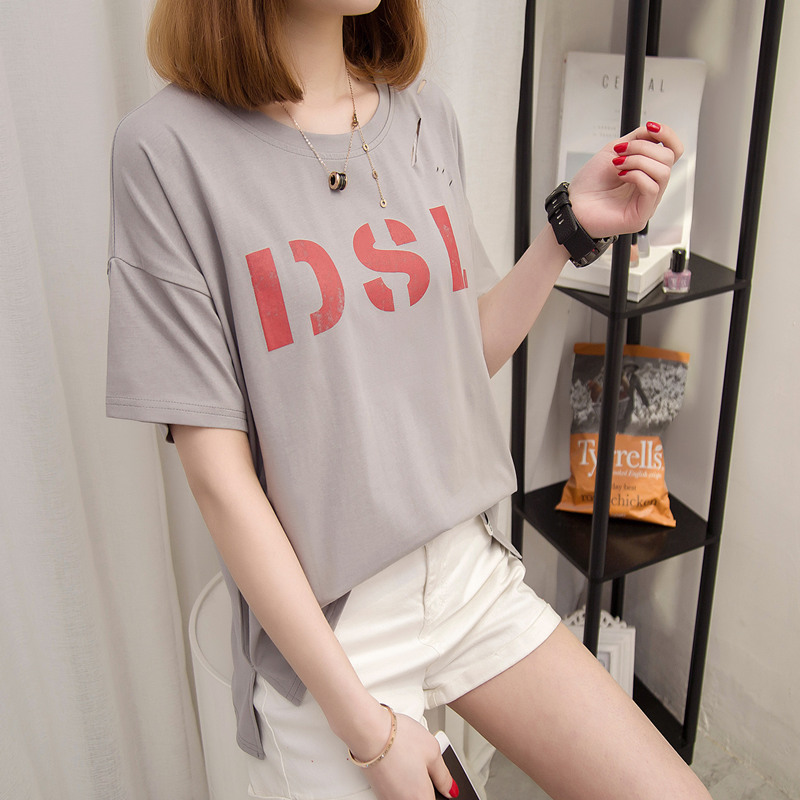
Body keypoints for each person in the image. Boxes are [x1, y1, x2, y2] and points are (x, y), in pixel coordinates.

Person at [106, 1, 712, 798]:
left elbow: (455, 362)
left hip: (466, 570)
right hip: (332, 630)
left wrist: (565, 235)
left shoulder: (422, 115)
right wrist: (368, 730)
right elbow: (220, 480)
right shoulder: (165, 151)